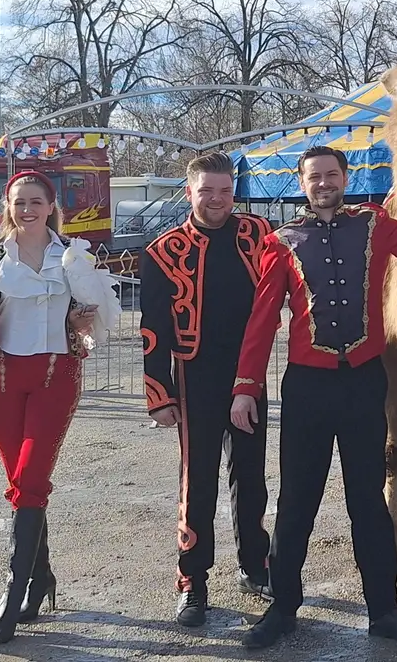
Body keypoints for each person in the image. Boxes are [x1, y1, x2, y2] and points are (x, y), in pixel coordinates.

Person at [227, 144, 397, 651]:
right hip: (307, 389)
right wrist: (245, 389)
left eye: (331, 174)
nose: (324, 183)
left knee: (368, 504)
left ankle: (385, 611)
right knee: (297, 502)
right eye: (314, 177)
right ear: (302, 182)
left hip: (362, 383)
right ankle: (283, 606)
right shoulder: (281, 240)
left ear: (345, 176)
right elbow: (262, 320)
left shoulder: (374, 225)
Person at [0, 170, 120, 644]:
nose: (26, 209)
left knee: (31, 479)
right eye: (18, 202)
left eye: (35, 201)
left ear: (51, 206)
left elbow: (99, 325)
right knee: (22, 483)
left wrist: (82, 319)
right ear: (7, 208)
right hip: (1, 381)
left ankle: (14, 591)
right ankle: (42, 577)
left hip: (56, 377)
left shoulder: (73, 256)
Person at [140, 151, 275, 625]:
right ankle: (192, 581)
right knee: (197, 481)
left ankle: (256, 565)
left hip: (248, 375)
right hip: (192, 377)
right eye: (206, 191)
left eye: (224, 190)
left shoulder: (258, 235)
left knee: (252, 475)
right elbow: (152, 328)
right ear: (189, 192)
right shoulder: (162, 250)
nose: (216, 200)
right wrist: (160, 395)